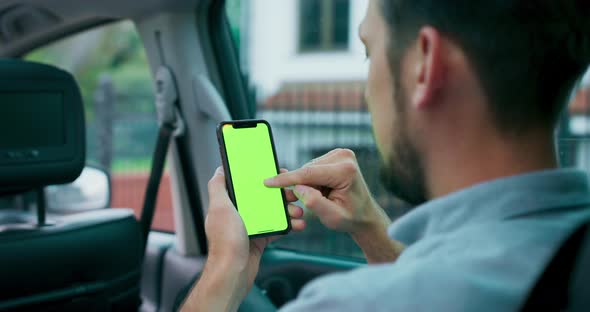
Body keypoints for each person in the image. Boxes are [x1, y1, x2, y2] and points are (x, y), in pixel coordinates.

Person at [182, 0, 590, 311]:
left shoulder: (350, 304)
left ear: (425, 65)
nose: (366, 89)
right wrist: (373, 231)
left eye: (368, 51)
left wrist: (223, 267)